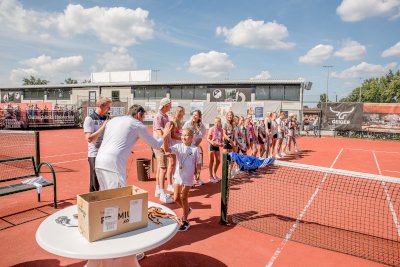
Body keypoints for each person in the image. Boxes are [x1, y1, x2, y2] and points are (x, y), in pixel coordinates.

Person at [95, 104, 172, 190]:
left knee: (105, 195)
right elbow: (156, 145)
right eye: (143, 117)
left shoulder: (113, 120)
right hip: (114, 164)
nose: (143, 120)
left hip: (99, 160)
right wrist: (164, 135)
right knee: (118, 196)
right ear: (139, 114)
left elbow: (100, 140)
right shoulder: (137, 125)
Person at [164, 128, 201, 232]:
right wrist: (165, 138)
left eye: (186, 135)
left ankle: (185, 220)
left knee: (184, 197)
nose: (184, 137)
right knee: (176, 198)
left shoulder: (195, 149)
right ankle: (187, 209)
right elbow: (167, 150)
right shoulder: (178, 146)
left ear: (191, 137)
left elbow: (198, 163)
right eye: (182, 135)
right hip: (178, 176)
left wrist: (198, 173)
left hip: (188, 177)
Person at [83, 97, 111, 192]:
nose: (109, 109)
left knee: (105, 179)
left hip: (105, 153)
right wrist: (103, 126)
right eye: (108, 107)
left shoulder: (106, 118)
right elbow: (89, 138)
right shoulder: (89, 119)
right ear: (100, 106)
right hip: (94, 154)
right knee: (95, 180)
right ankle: (93, 201)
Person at [153, 98, 174, 203]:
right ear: (165, 106)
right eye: (170, 105)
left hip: (163, 145)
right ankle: (162, 193)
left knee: (160, 168)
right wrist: (165, 148)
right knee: (163, 169)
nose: (171, 106)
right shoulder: (158, 117)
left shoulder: (165, 116)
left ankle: (158, 189)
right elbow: (160, 134)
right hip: (159, 146)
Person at [183, 110, 206, 186]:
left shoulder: (202, 126)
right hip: (187, 146)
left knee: (198, 163)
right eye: (193, 114)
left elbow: (200, 138)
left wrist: (195, 146)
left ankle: (198, 178)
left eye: (196, 115)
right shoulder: (188, 123)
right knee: (190, 164)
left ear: (199, 116)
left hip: (196, 146)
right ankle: (191, 180)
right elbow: (183, 134)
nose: (194, 116)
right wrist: (188, 145)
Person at [166, 106, 186, 192]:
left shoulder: (179, 121)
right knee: (172, 164)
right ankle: (169, 184)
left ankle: (175, 182)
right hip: (173, 144)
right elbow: (173, 135)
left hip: (177, 144)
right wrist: (182, 138)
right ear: (179, 112)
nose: (184, 114)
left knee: (176, 164)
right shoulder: (173, 121)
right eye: (182, 112)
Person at [207, 117, 224, 183]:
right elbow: (208, 138)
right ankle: (210, 177)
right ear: (214, 123)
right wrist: (212, 143)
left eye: (218, 122)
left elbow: (221, 140)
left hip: (217, 146)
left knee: (218, 161)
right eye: (215, 122)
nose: (217, 123)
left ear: (220, 123)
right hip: (211, 145)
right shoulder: (211, 129)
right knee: (211, 161)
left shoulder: (221, 130)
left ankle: (214, 174)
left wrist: (221, 143)